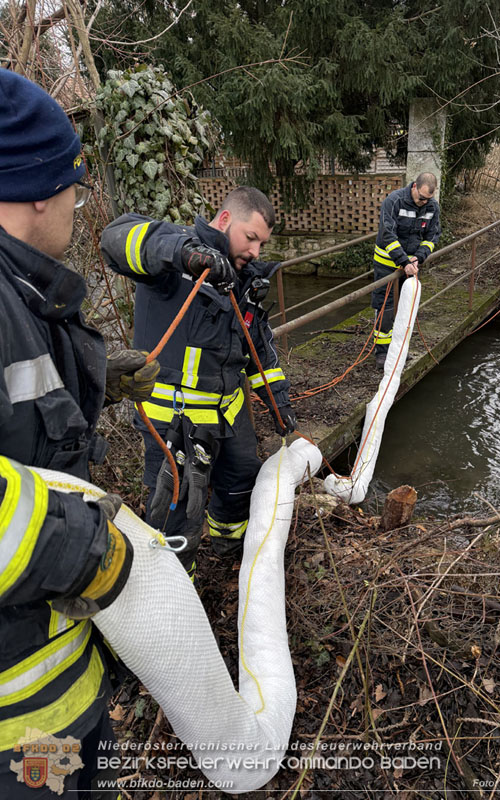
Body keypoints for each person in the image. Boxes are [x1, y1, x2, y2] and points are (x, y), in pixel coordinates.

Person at [0, 69, 160, 799]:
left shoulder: (23, 291)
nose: (78, 204)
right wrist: (88, 549)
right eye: (75, 187)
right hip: (17, 735)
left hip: (56, 691)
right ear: (38, 187)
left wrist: (98, 378)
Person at [101, 186, 296, 568]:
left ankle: (230, 553)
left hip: (229, 417)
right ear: (224, 220)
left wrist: (281, 407)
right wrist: (183, 254)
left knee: (240, 483)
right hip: (174, 423)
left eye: (262, 244)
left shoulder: (245, 282)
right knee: (175, 513)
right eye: (251, 238)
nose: (256, 251)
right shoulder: (174, 262)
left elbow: (260, 352)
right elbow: (114, 238)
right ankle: (173, 590)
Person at [371, 172, 441, 368]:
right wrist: (403, 261)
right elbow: (387, 234)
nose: (423, 203)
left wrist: (419, 257)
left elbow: (432, 235)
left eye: (428, 199)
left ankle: (400, 348)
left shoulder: (432, 207)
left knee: (406, 309)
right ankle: (382, 353)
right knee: (386, 308)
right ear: (414, 187)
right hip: (387, 265)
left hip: (411, 266)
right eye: (421, 198)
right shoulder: (394, 201)